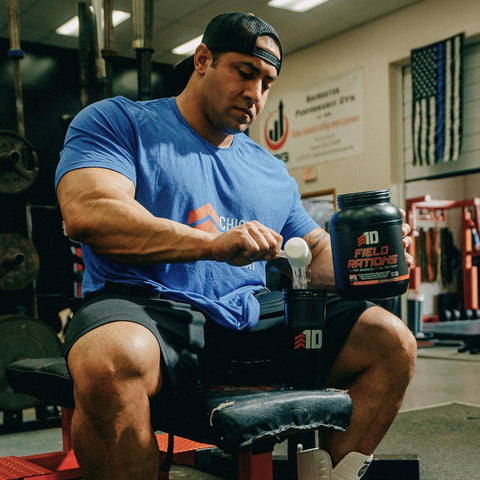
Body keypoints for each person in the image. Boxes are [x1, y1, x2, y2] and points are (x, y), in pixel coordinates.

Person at [55, 12, 417, 480]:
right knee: (109, 357)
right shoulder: (120, 121)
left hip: (249, 319)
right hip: (147, 308)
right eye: (245, 73)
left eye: (267, 83)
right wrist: (212, 244)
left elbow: (309, 251)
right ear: (202, 60)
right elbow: (90, 212)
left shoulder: (269, 171)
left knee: (391, 341)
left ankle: (329, 476)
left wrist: (372, 258)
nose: (256, 94)